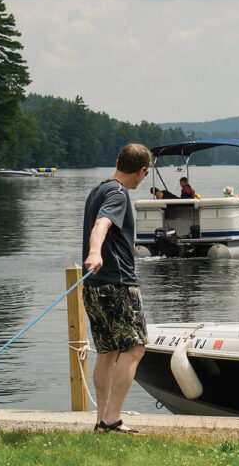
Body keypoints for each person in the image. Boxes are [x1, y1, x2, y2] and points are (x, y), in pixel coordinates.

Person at [82, 143, 152, 434]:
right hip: (117, 283)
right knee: (135, 348)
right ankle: (112, 419)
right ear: (142, 171)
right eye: (144, 175)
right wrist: (95, 252)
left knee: (108, 351)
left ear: (116, 161)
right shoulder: (118, 194)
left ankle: (101, 420)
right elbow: (102, 224)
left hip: (93, 286)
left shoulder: (98, 190)